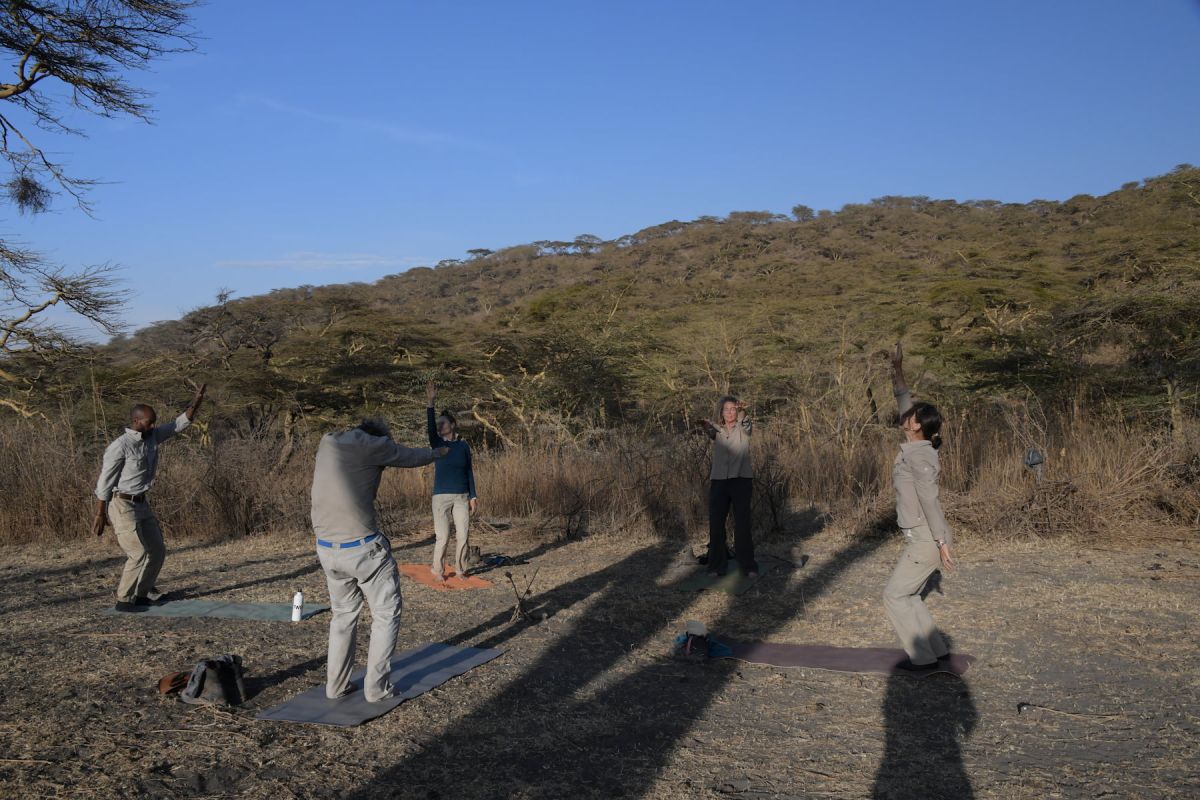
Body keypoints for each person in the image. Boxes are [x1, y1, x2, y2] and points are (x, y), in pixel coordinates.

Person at [310, 417, 448, 702]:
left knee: (343, 617)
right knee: (385, 614)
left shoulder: (328, 441)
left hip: (326, 550)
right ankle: (376, 689)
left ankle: (335, 687)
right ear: (377, 437)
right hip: (362, 549)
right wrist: (437, 453)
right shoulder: (376, 446)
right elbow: (409, 456)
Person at [93, 383, 207, 612]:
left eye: (154, 421)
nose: (153, 425)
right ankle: (123, 600)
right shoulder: (120, 446)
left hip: (141, 503)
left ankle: (141, 595)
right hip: (121, 504)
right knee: (138, 553)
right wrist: (100, 512)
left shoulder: (152, 436)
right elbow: (105, 481)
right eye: (149, 421)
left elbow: (178, 425)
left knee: (157, 550)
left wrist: (196, 401)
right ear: (136, 421)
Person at [884, 342, 956, 670]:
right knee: (910, 595)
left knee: (895, 596)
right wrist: (897, 368)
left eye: (910, 416)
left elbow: (930, 500)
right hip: (920, 536)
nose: (905, 415)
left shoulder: (922, 455)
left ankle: (922, 660)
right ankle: (937, 651)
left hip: (926, 538)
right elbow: (903, 397)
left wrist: (942, 543)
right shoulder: (916, 445)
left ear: (917, 425)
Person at [694, 395, 757, 577]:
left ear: (737, 411)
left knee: (742, 524)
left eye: (733, 409)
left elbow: (746, 421)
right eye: (726, 409)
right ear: (721, 412)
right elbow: (710, 431)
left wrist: (743, 409)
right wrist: (705, 424)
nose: (730, 412)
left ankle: (748, 566)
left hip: (741, 480)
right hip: (719, 481)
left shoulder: (744, 427)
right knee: (716, 524)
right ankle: (716, 566)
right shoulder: (718, 430)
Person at [425, 381, 478, 581]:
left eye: (443, 423)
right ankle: (437, 570)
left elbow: (469, 471)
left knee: (463, 534)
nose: (439, 427)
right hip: (441, 497)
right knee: (443, 536)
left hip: (462, 496)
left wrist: (473, 496)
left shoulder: (463, 446)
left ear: (453, 425)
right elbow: (430, 428)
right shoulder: (437, 443)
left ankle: (460, 569)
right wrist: (431, 402)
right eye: (438, 424)